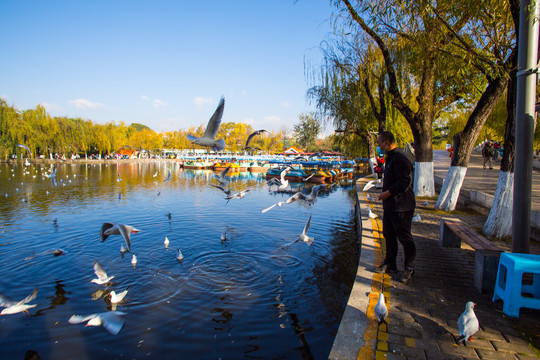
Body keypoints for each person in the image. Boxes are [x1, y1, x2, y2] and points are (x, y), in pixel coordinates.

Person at [375, 131, 416, 284]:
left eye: (379, 143)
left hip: (402, 207)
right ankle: (390, 263)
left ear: (386, 142)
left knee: (405, 238)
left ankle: (409, 269)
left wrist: (388, 193)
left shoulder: (400, 159)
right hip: (391, 207)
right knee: (389, 235)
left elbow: (405, 182)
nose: (378, 146)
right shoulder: (391, 158)